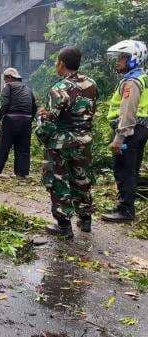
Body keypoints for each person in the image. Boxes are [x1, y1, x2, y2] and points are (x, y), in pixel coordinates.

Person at [36, 47, 98, 238]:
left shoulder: (59, 88)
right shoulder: (91, 84)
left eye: (57, 62)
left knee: (58, 181)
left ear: (61, 63)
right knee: (82, 179)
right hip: (84, 141)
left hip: (61, 144)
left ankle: (64, 226)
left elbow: (50, 120)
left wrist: (41, 133)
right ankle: (85, 220)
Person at [102, 40, 148, 222]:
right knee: (132, 168)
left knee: (123, 169)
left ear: (133, 59)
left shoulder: (132, 82)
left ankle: (126, 210)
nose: (118, 61)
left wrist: (119, 138)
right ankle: (125, 205)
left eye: (122, 58)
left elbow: (128, 111)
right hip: (140, 129)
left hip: (130, 131)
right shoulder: (143, 77)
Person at [0, 68, 37, 179]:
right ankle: (21, 174)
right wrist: (29, 120)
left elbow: (5, 105)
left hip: (11, 119)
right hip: (26, 120)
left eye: (5, 79)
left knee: (3, 146)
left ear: (10, 78)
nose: (5, 81)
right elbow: (34, 107)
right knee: (23, 147)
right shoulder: (28, 89)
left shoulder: (8, 87)